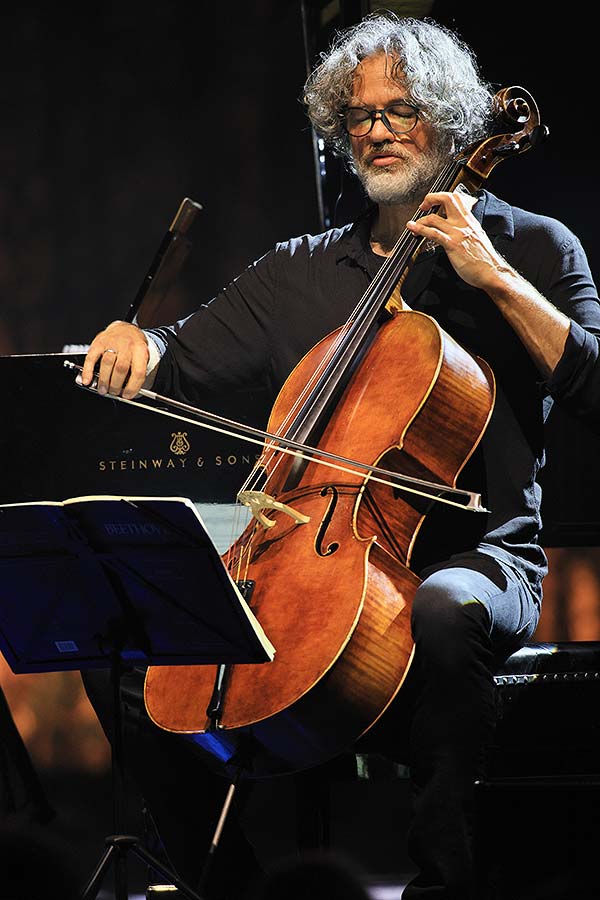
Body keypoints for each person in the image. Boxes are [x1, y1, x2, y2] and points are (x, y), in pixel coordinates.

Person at [79, 12, 600, 900]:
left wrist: (495, 280)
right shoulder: (302, 270)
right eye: (358, 116)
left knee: (440, 609)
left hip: (475, 561)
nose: (378, 130)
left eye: (401, 108)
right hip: (309, 561)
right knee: (125, 649)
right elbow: (181, 348)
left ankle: (446, 886)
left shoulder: (533, 247)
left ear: (449, 116)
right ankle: (229, 889)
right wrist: (140, 342)